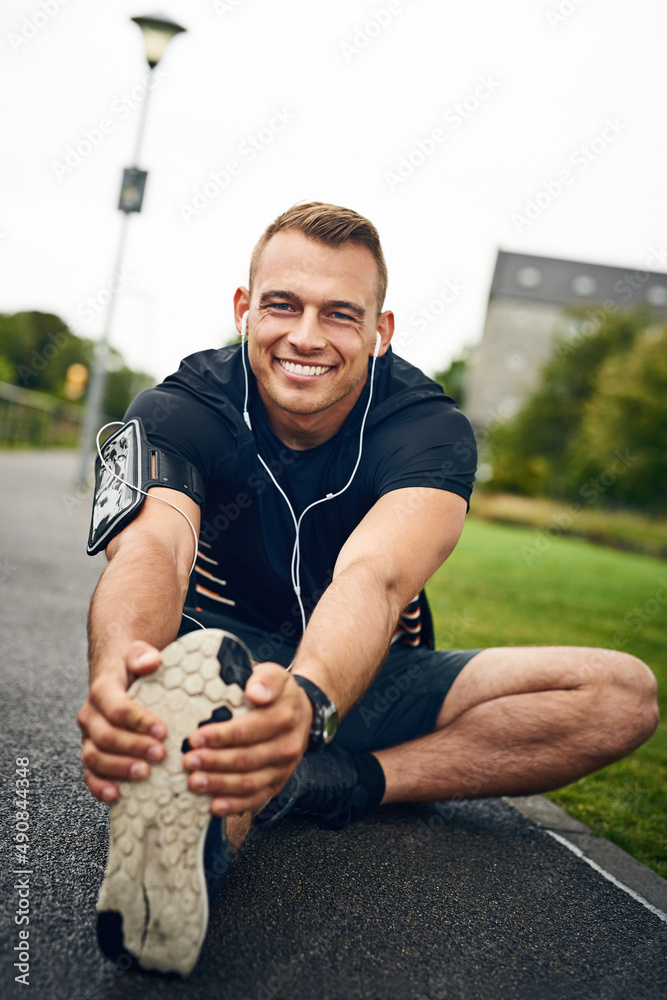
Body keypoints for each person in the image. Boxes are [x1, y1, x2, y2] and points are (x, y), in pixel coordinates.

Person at [77, 202, 659, 977]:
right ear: (244, 311)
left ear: (379, 332)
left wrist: (309, 703)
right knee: (218, 704)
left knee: (623, 693)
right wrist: (124, 667)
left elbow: (375, 577)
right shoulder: (179, 407)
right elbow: (154, 544)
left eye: (339, 315)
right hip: (219, 662)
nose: (306, 336)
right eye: (282, 305)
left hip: (364, 678)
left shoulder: (426, 428)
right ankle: (196, 833)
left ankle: (330, 782)